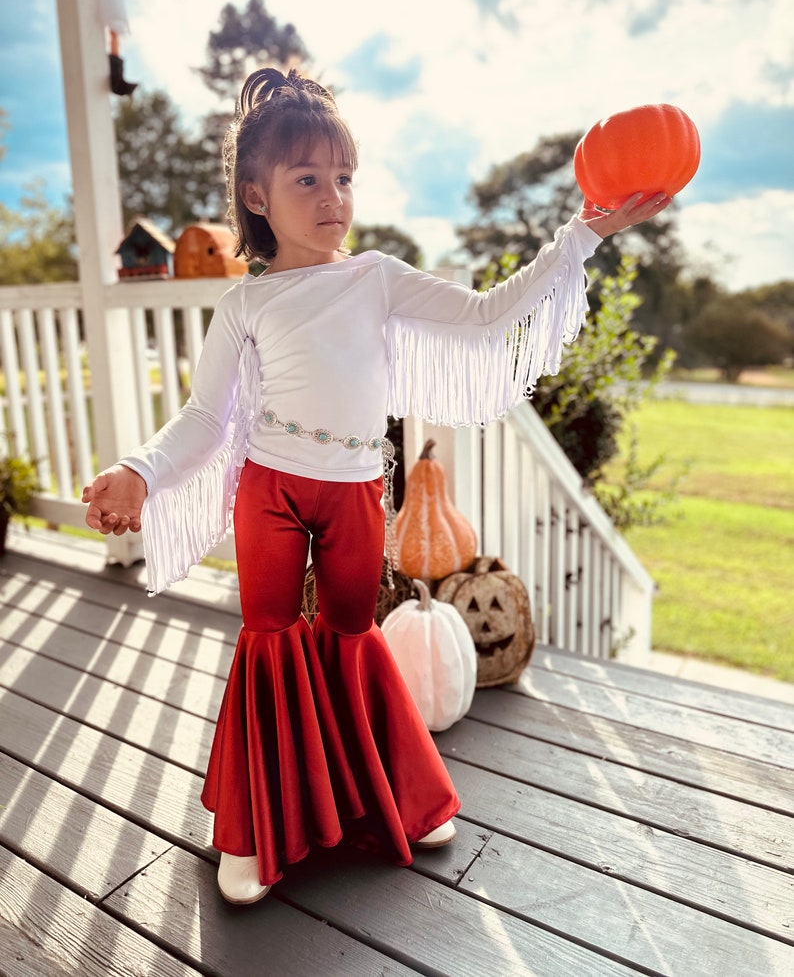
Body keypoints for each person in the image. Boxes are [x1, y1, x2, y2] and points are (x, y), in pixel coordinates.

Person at [82, 67, 670, 906]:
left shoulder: (377, 277)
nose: (333, 197)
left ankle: (395, 793)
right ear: (256, 192)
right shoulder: (243, 306)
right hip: (273, 490)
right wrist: (138, 470)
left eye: (344, 178)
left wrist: (579, 235)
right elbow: (207, 420)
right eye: (308, 179)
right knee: (273, 638)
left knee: (355, 632)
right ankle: (252, 832)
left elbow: (485, 315)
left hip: (358, 485)